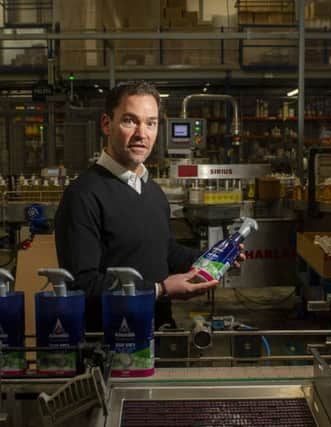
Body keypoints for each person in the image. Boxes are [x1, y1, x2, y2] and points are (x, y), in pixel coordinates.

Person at [54, 81, 244, 331]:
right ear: (106, 124)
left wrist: (211, 257)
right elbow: (82, 284)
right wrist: (160, 289)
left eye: (151, 123)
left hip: (159, 332)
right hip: (112, 343)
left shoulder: (151, 190)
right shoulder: (83, 195)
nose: (142, 134)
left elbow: (163, 250)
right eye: (130, 121)